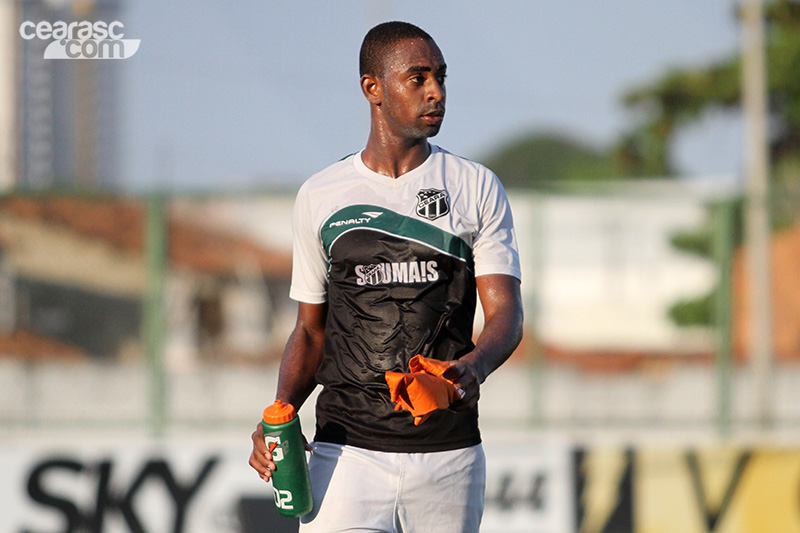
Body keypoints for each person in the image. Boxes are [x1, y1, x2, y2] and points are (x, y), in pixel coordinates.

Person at [249, 21, 523, 532]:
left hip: (449, 456)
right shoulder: (321, 195)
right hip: (345, 453)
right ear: (372, 88)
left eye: (440, 77)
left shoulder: (476, 187)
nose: (436, 91)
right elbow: (310, 330)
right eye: (416, 78)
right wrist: (278, 414)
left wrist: (475, 367)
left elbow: (506, 315)